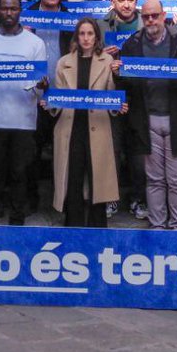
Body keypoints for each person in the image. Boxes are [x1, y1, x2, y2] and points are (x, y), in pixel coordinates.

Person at [118, 0, 177, 230]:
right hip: (147, 119)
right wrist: (118, 71)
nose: (151, 20)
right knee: (154, 180)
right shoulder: (132, 44)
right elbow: (125, 84)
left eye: (155, 15)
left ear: (163, 16)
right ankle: (156, 225)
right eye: (146, 17)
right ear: (141, 18)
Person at [0, 0, 48, 225]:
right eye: (4, 9)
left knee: (19, 175)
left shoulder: (35, 43)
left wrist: (42, 85)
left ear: (19, 11)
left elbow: (39, 87)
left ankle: (17, 220)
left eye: (13, 9)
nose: (8, 13)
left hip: (24, 121)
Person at [48, 18, 124, 227]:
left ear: (97, 37)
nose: (86, 38)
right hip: (70, 128)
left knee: (98, 180)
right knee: (72, 178)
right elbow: (58, 97)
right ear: (76, 36)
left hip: (98, 127)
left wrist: (118, 104)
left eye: (90, 33)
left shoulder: (108, 61)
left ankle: (97, 227)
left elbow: (112, 95)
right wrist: (50, 102)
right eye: (82, 33)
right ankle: (73, 225)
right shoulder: (63, 62)